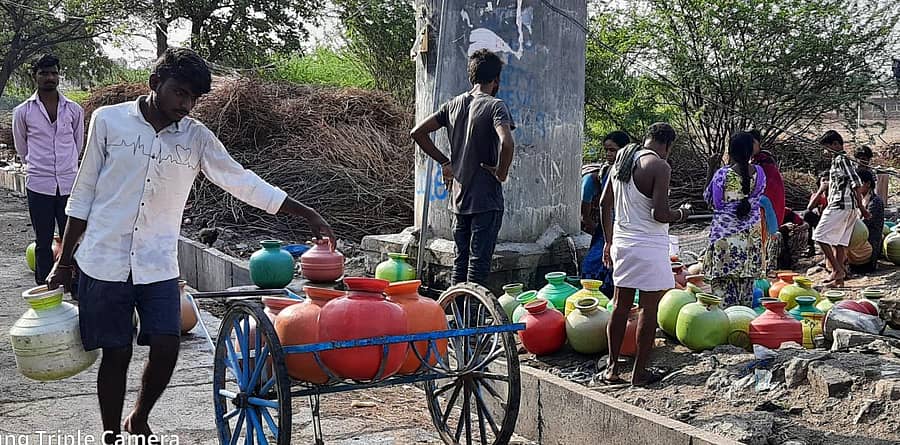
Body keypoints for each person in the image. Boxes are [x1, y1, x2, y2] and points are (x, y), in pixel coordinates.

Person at [45, 48, 334, 443]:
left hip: (157, 262)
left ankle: (139, 416)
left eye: (193, 99)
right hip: (103, 257)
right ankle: (111, 432)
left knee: (166, 344)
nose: (186, 105)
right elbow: (83, 192)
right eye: (180, 93)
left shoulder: (197, 138)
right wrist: (64, 260)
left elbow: (242, 180)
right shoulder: (109, 121)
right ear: (154, 84)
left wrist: (307, 214)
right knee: (116, 353)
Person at [410, 49, 515, 285]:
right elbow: (507, 143)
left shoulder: (453, 105)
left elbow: (418, 133)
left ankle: (457, 318)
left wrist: (446, 162)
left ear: (471, 77)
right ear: (496, 80)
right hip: (486, 200)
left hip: (459, 199)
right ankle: (472, 319)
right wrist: (501, 173)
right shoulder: (496, 106)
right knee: (478, 267)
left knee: (460, 264)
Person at [599, 123, 690, 386]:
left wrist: (609, 241)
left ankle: (612, 369)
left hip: (623, 243)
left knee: (620, 306)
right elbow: (659, 214)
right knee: (649, 310)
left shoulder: (622, 158)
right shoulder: (660, 166)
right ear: (668, 144)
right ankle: (639, 373)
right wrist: (682, 214)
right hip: (649, 246)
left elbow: (606, 203)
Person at [12, 54, 84, 285]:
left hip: (68, 185)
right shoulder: (23, 112)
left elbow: (78, 142)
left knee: (72, 238)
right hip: (39, 185)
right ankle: (45, 289)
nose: (49, 77)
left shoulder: (73, 110)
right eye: (44, 73)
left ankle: (76, 287)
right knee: (43, 241)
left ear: (59, 75)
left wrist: (67, 166)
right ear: (35, 77)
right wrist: (37, 166)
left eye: (53, 72)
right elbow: (22, 147)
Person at [703, 132, 766, 306]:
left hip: (725, 240)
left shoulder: (722, 174)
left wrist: (711, 169)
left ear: (730, 151)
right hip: (750, 240)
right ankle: (742, 326)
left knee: (722, 295)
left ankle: (725, 327)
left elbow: (711, 201)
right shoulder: (760, 173)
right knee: (745, 293)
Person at [812, 130, 869, 287]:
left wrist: (861, 208)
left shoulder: (840, 159)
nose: (825, 152)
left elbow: (855, 183)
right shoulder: (839, 160)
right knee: (840, 243)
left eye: (826, 148)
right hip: (847, 207)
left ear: (836, 144)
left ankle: (837, 269)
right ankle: (839, 282)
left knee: (819, 236)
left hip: (841, 205)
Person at [580, 131, 629, 296]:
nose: (609, 154)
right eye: (606, 150)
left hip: (624, 225)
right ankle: (596, 295)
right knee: (595, 262)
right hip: (607, 224)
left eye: (613, 150)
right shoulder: (603, 172)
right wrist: (590, 222)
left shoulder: (632, 172)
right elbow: (595, 204)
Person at [749, 130, 785, 273]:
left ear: (759, 143)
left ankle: (761, 269)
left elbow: (769, 185)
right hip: (758, 204)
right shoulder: (753, 161)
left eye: (752, 143)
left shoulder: (764, 160)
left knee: (761, 239)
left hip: (765, 202)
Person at [849, 169, 884, 274]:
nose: (855, 187)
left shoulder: (875, 202)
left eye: (858, 184)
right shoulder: (858, 200)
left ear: (868, 184)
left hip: (868, 245)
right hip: (859, 241)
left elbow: (863, 226)